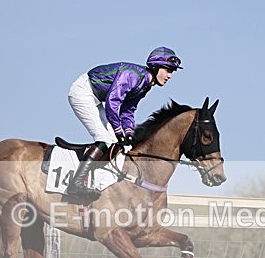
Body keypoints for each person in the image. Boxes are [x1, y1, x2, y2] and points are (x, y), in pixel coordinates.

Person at [64, 46, 182, 198]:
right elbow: (113, 102)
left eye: (172, 71)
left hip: (95, 98)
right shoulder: (132, 76)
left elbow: (127, 111)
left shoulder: (145, 85)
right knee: (105, 139)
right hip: (82, 93)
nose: (170, 75)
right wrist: (120, 132)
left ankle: (96, 180)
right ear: (155, 66)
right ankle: (76, 184)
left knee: (113, 141)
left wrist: (128, 133)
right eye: (168, 70)